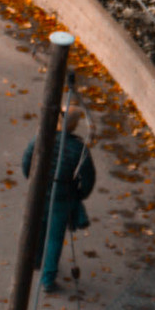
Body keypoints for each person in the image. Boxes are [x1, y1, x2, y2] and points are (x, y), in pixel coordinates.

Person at [31, 114, 101, 294]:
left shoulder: (43, 139)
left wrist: (32, 180)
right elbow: (88, 178)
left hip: (40, 192)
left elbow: (27, 160)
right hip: (63, 197)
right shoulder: (79, 148)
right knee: (55, 237)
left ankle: (37, 259)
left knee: (39, 227)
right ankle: (48, 278)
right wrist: (79, 194)